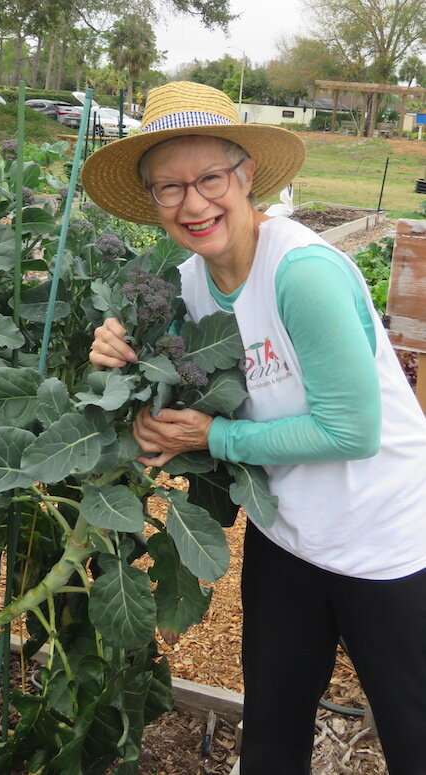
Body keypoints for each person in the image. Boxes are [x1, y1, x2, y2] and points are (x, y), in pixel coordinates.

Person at [82, 81, 426, 774]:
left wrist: (214, 439)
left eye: (210, 177)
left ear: (245, 176)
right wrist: (116, 344)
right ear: (152, 201)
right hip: (289, 532)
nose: (194, 202)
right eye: (169, 187)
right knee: (271, 734)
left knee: (414, 736)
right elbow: (153, 370)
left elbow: (351, 431)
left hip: (387, 538)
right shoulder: (186, 283)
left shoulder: (301, 272)